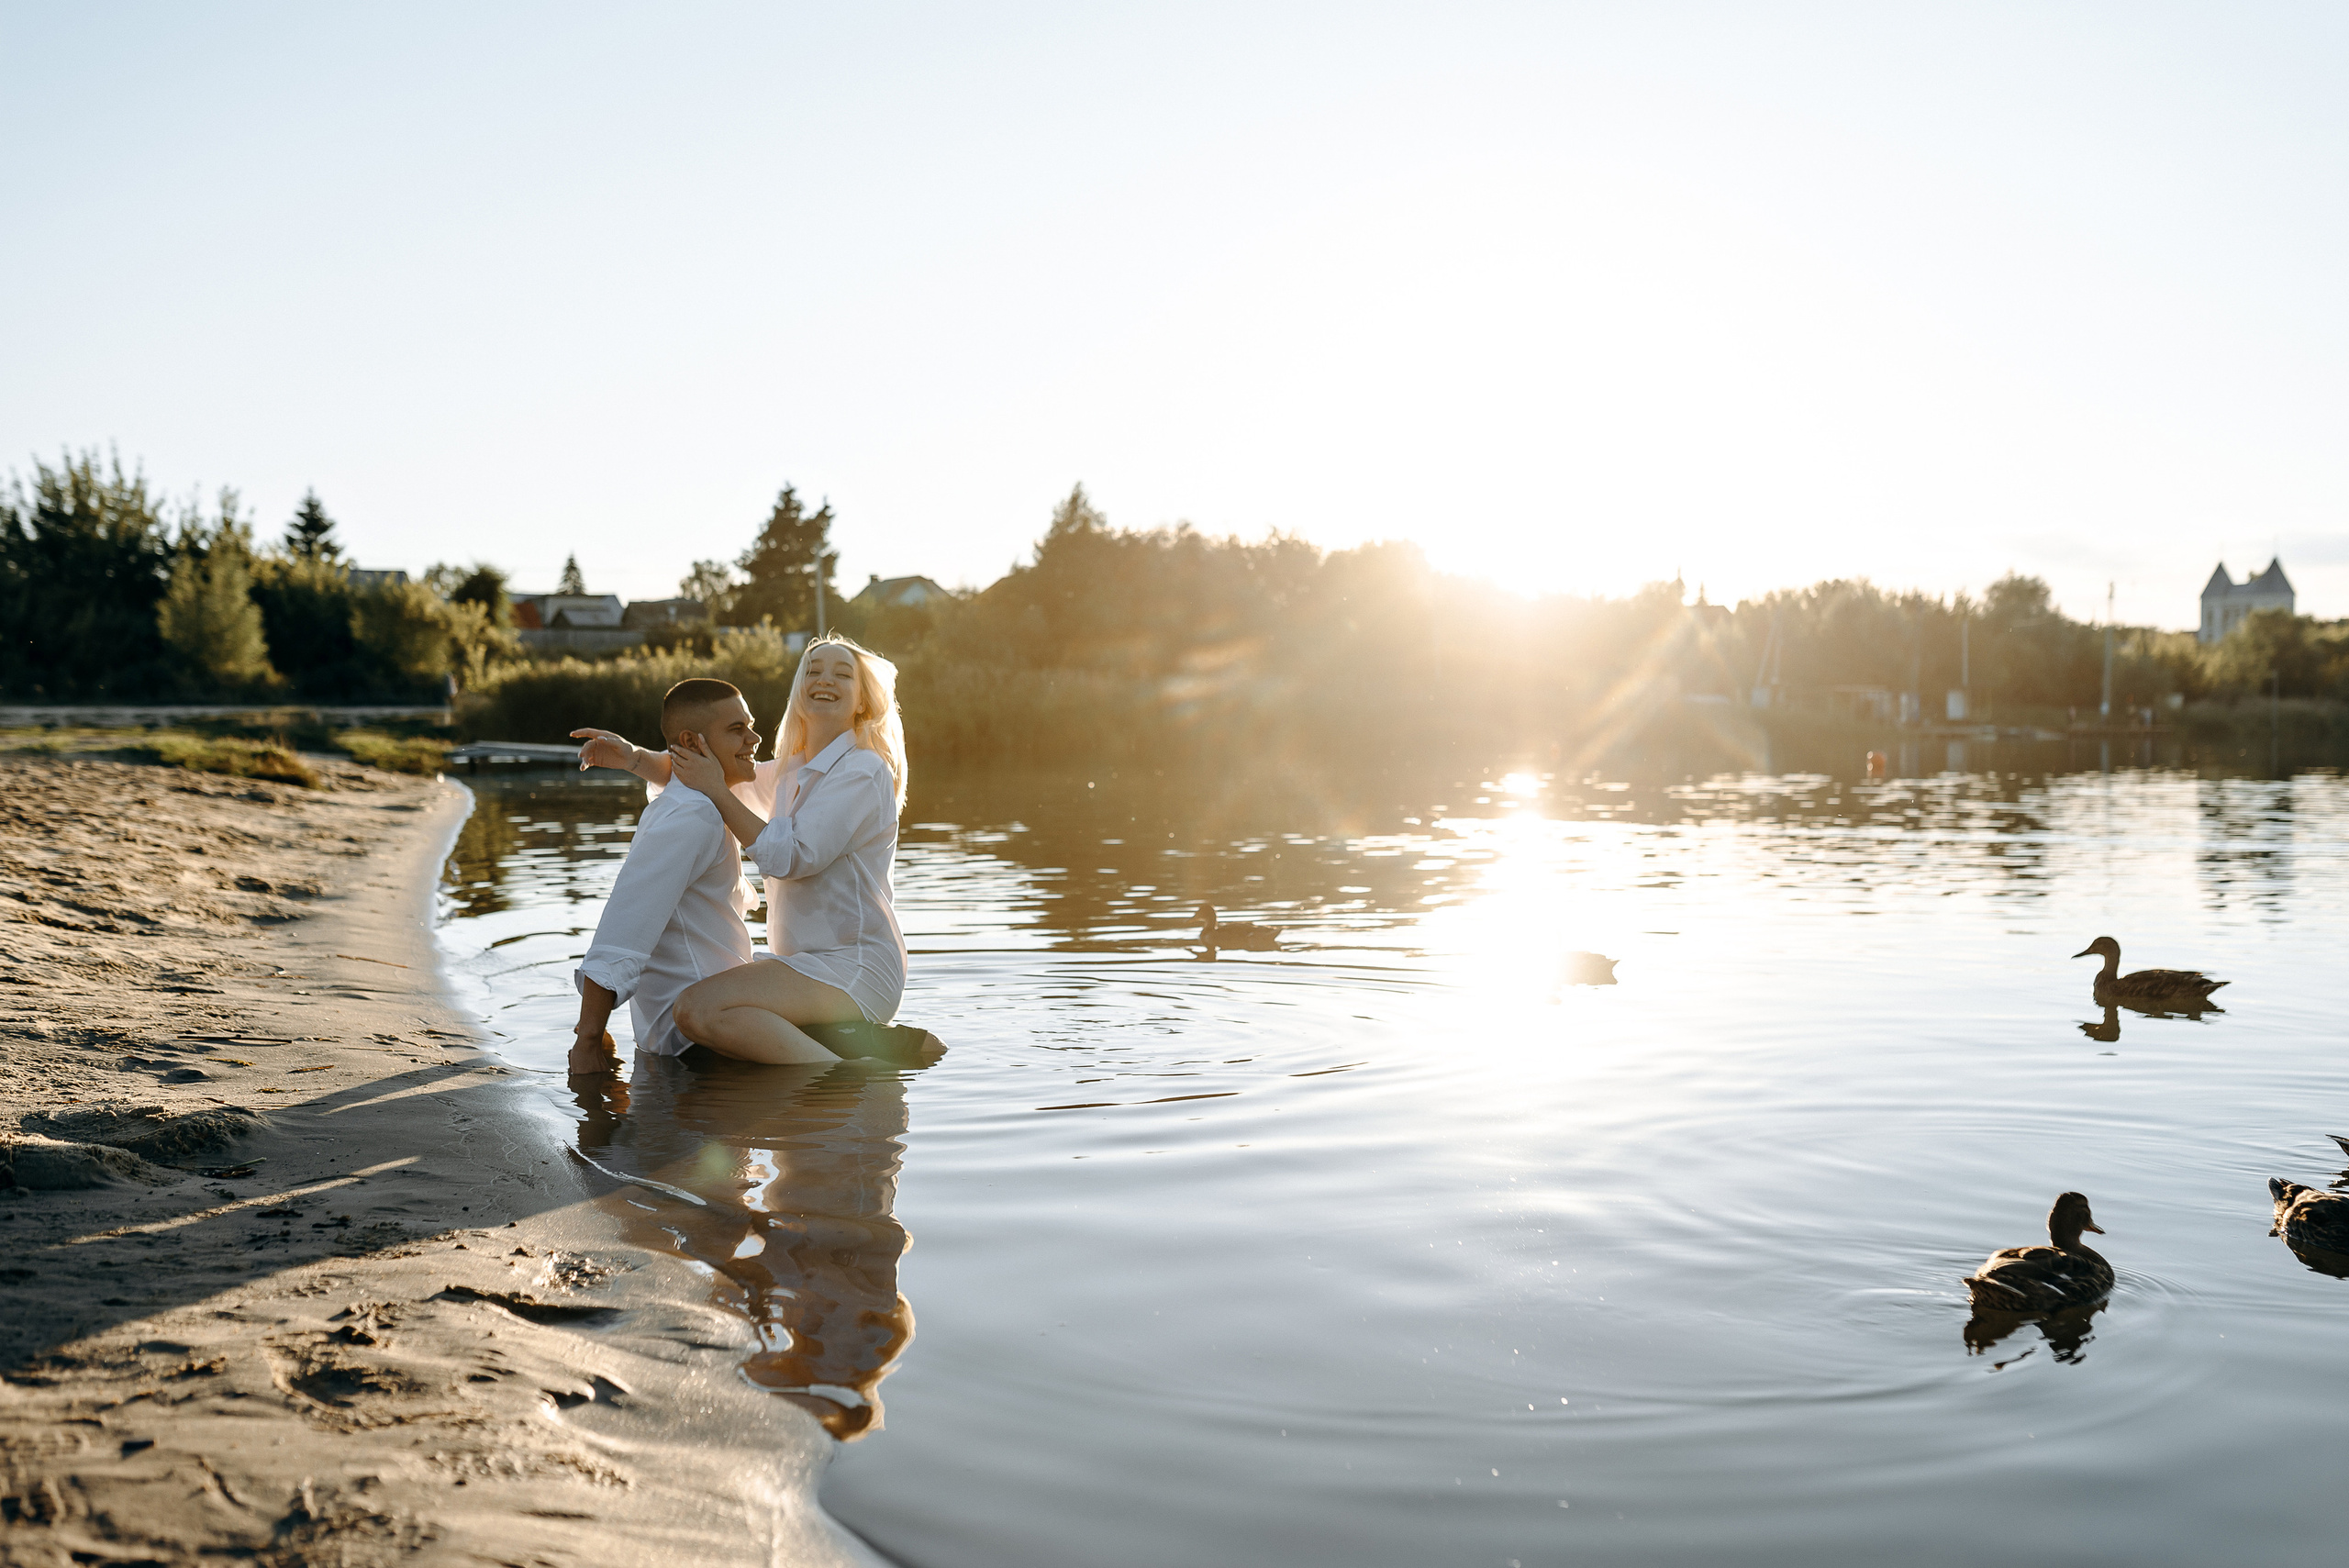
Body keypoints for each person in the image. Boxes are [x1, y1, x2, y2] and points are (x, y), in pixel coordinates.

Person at [574, 636, 908, 1067]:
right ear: (799, 692)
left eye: (842, 674)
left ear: (862, 701)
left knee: (699, 1008)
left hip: (855, 967)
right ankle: (859, 1049)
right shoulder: (793, 772)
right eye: (813, 670)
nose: (825, 679)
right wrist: (634, 757)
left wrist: (714, 787)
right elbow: (716, 769)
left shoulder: (863, 770)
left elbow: (793, 856)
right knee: (711, 1000)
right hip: (807, 965)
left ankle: (844, 1082)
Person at [567, 678, 770, 1073]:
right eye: (737, 730)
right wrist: (587, 1040)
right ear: (694, 744)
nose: (755, 738)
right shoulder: (690, 816)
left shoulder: (700, 803)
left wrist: (635, 758)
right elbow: (623, 928)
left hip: (713, 1018)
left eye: (750, 725)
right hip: (698, 1041)